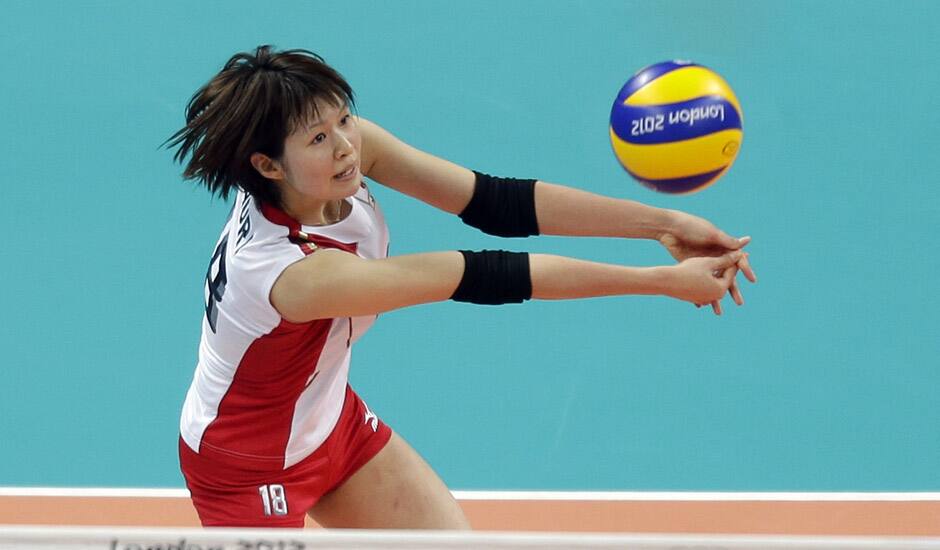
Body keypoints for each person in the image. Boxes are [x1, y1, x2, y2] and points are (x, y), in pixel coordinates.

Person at [167, 45, 756, 530]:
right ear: (268, 165)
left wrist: (666, 224)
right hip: (247, 466)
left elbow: (496, 203)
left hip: (328, 420)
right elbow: (487, 273)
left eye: (342, 119)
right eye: (317, 138)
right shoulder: (297, 275)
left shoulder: (338, 159)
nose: (345, 144)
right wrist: (660, 283)